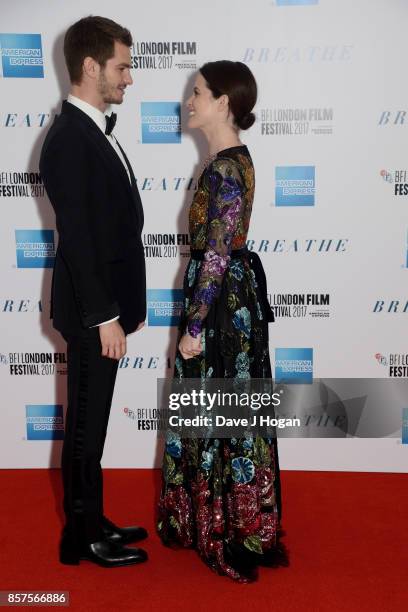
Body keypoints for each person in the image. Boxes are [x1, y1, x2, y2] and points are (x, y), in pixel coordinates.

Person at [157, 61, 288, 582]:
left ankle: (224, 528)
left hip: (221, 306)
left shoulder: (223, 168)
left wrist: (193, 328)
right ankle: (226, 519)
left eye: (197, 93)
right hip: (230, 298)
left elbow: (214, 255)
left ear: (222, 103)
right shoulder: (230, 160)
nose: (189, 101)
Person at [40, 16, 148, 567]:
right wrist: (106, 315)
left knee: (94, 422)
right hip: (90, 313)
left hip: (103, 309)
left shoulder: (91, 130)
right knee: (85, 428)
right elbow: (79, 239)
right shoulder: (68, 140)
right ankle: (79, 539)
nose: (129, 78)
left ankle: (90, 519)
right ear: (90, 66)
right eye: (121, 66)